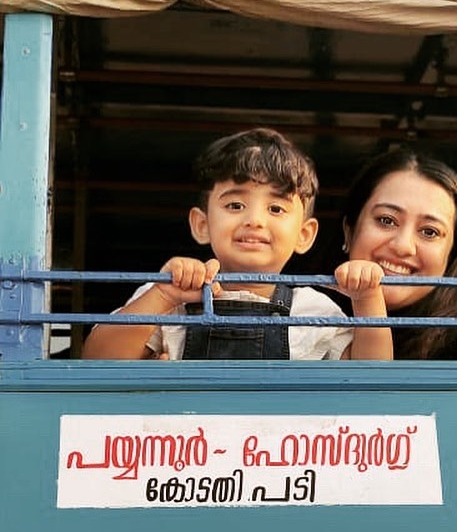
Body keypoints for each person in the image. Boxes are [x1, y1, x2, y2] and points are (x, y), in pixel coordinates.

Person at [82, 128, 392, 361]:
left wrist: (368, 300)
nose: (255, 220)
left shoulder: (313, 307)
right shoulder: (169, 296)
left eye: (276, 209)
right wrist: (163, 294)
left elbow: (371, 377)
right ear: (202, 225)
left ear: (305, 235)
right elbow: (96, 359)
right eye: (234, 206)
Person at [338, 145, 457, 360]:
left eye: (429, 232)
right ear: (349, 231)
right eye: (386, 220)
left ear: (453, 253)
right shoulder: (303, 310)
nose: (403, 246)